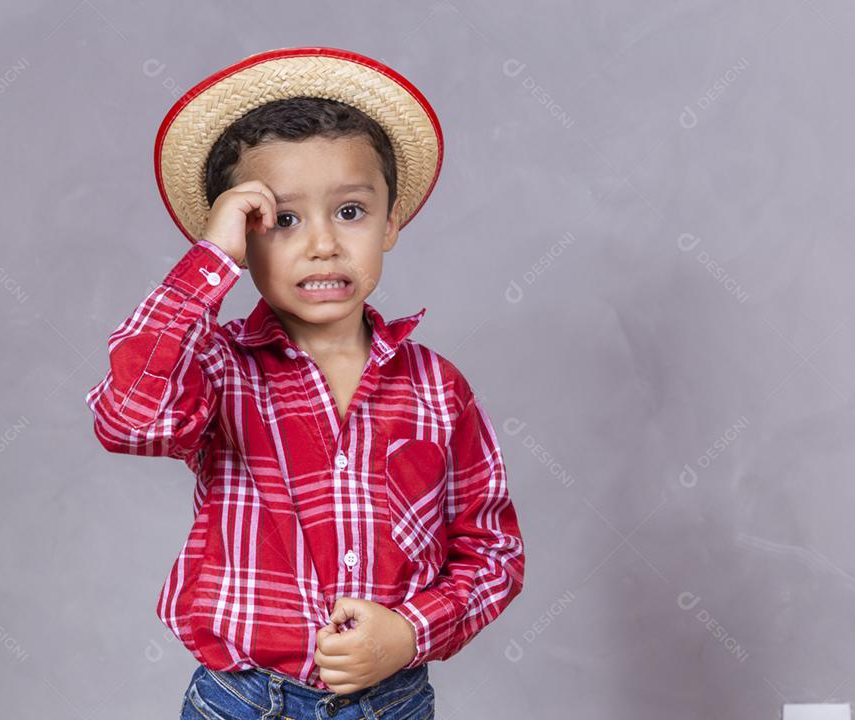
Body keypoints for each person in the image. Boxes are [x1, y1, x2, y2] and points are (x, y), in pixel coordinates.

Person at [83, 47, 525, 719]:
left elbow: (492, 551)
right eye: (283, 221)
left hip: (391, 703)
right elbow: (130, 419)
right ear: (243, 239)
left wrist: (410, 630)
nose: (322, 244)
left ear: (391, 222)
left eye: (350, 212)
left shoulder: (438, 389)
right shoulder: (219, 370)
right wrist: (211, 261)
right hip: (239, 700)